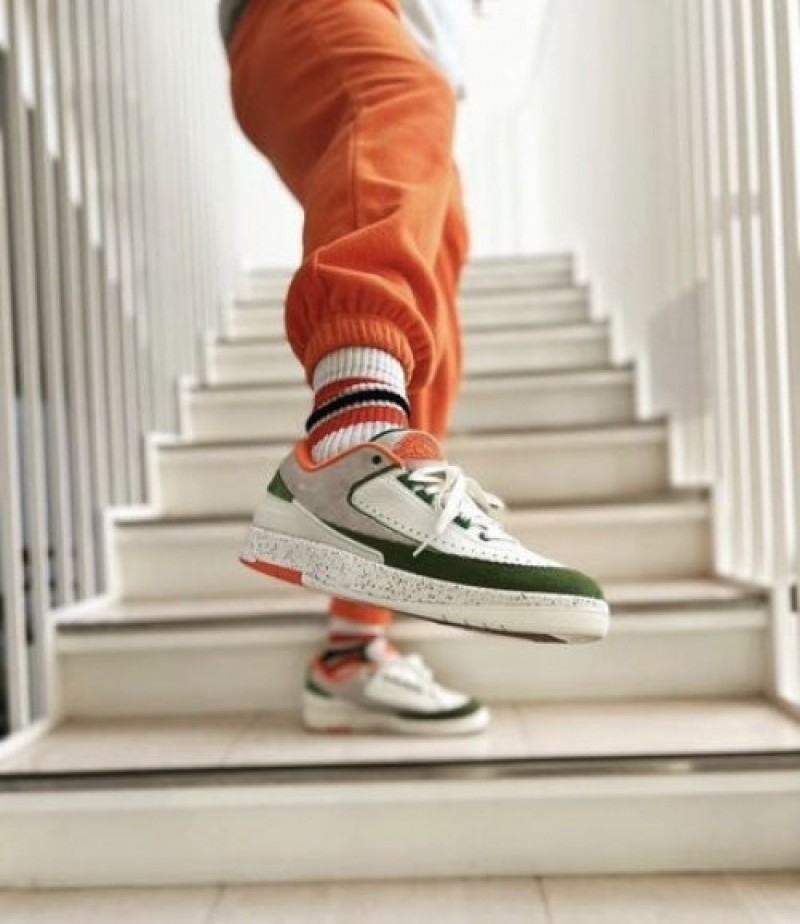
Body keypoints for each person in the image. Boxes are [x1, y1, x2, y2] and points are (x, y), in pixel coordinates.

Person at [220, 0, 609, 737]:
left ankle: (353, 649)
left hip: (411, 50)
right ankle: (352, 438)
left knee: (434, 296)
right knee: (401, 101)